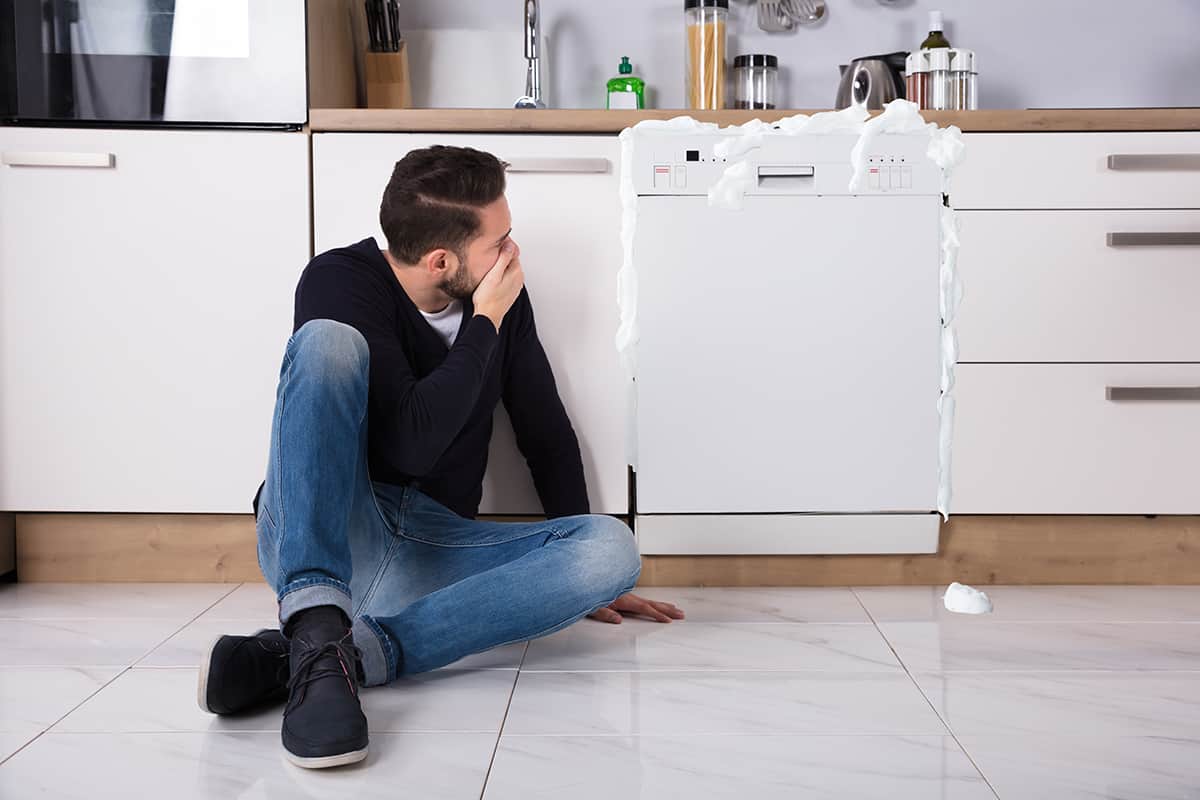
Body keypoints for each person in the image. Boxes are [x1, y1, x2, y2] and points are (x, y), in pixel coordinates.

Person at [196, 145, 684, 769]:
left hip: (429, 550)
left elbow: (543, 427)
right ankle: (318, 622)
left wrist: (584, 576)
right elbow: (411, 443)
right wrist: (483, 324)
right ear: (441, 260)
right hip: (337, 533)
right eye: (500, 241)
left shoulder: (503, 299)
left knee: (612, 549)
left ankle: (326, 657)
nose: (512, 253)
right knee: (325, 344)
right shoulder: (340, 280)